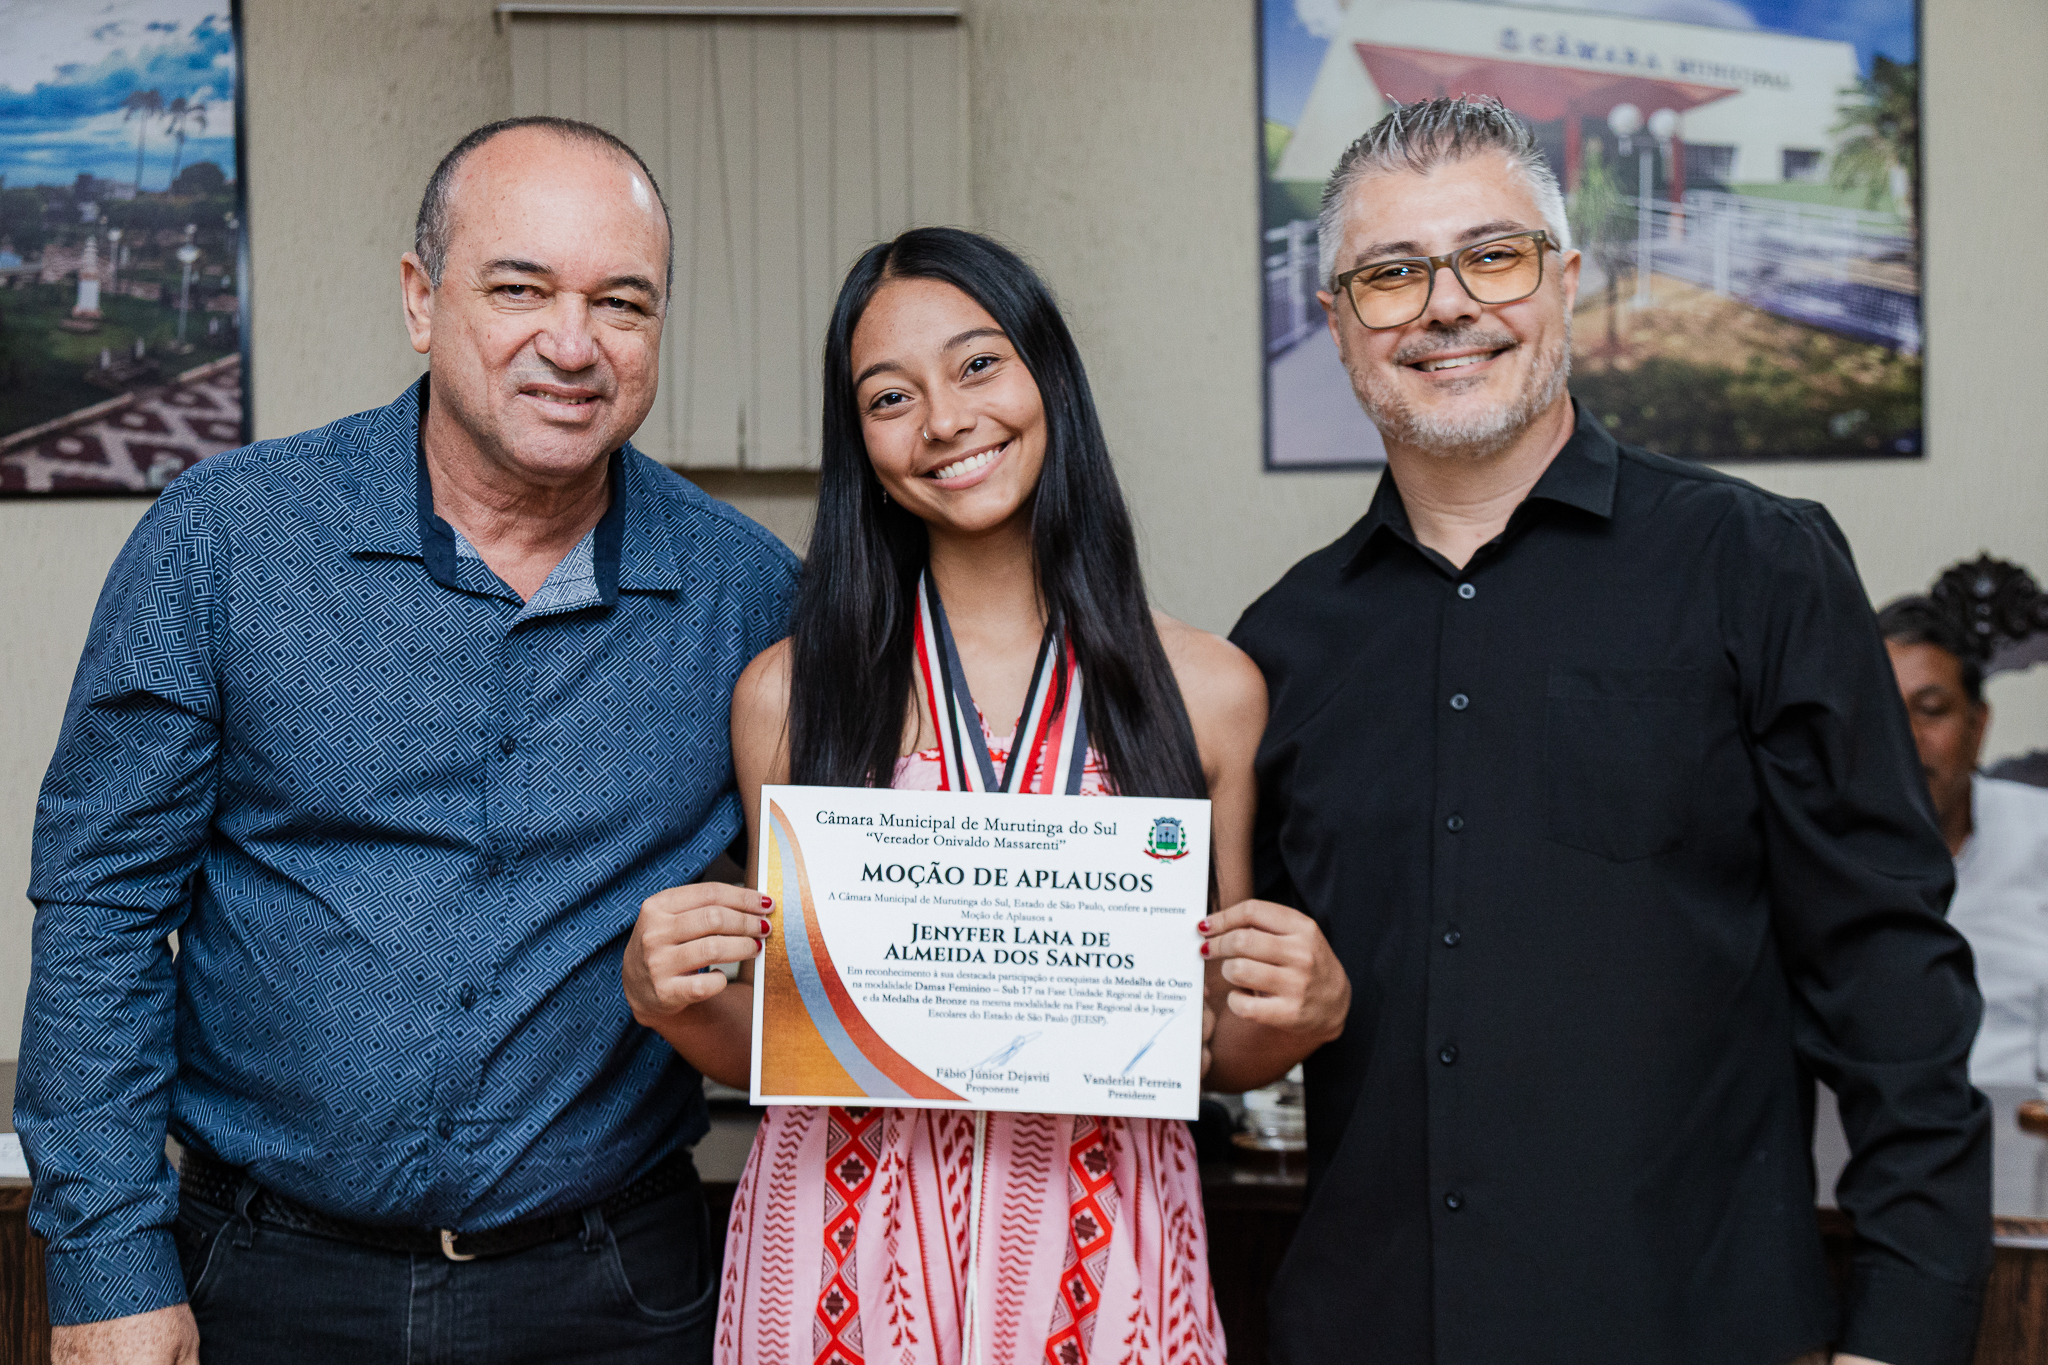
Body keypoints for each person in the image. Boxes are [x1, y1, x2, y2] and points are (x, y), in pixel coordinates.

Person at [17, 117, 797, 1365]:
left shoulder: (750, 598)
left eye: (621, 302)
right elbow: (101, 910)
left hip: (612, 1292)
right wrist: (107, 1266)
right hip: (263, 1280)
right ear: (421, 300)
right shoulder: (225, 541)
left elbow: (835, 940)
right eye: (519, 288)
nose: (573, 344)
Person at [1229, 97, 1990, 1365]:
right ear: (1337, 321)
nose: (1444, 306)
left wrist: (1898, 1336)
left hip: (1691, 1330)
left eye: (1492, 255)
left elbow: (1888, 981)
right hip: (1365, 1329)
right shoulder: (1281, 644)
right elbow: (1241, 1009)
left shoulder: (1756, 563)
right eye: (1389, 274)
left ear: (1565, 279)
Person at [622, 226, 1350, 1364]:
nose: (944, 420)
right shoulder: (789, 695)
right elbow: (784, 1035)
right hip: (840, 1262)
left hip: (1102, 1261)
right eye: (889, 396)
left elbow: (1206, 1044)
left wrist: (1301, 1013)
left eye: (976, 365)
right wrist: (665, 998)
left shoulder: (1208, 691)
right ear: (861, 444)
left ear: (1047, 375)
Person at [1880, 594, 2048, 1086]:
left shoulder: (2040, 833)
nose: (1907, 736)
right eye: (1883, 713)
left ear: (1977, 726)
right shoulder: (1812, 854)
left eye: (1931, 710)